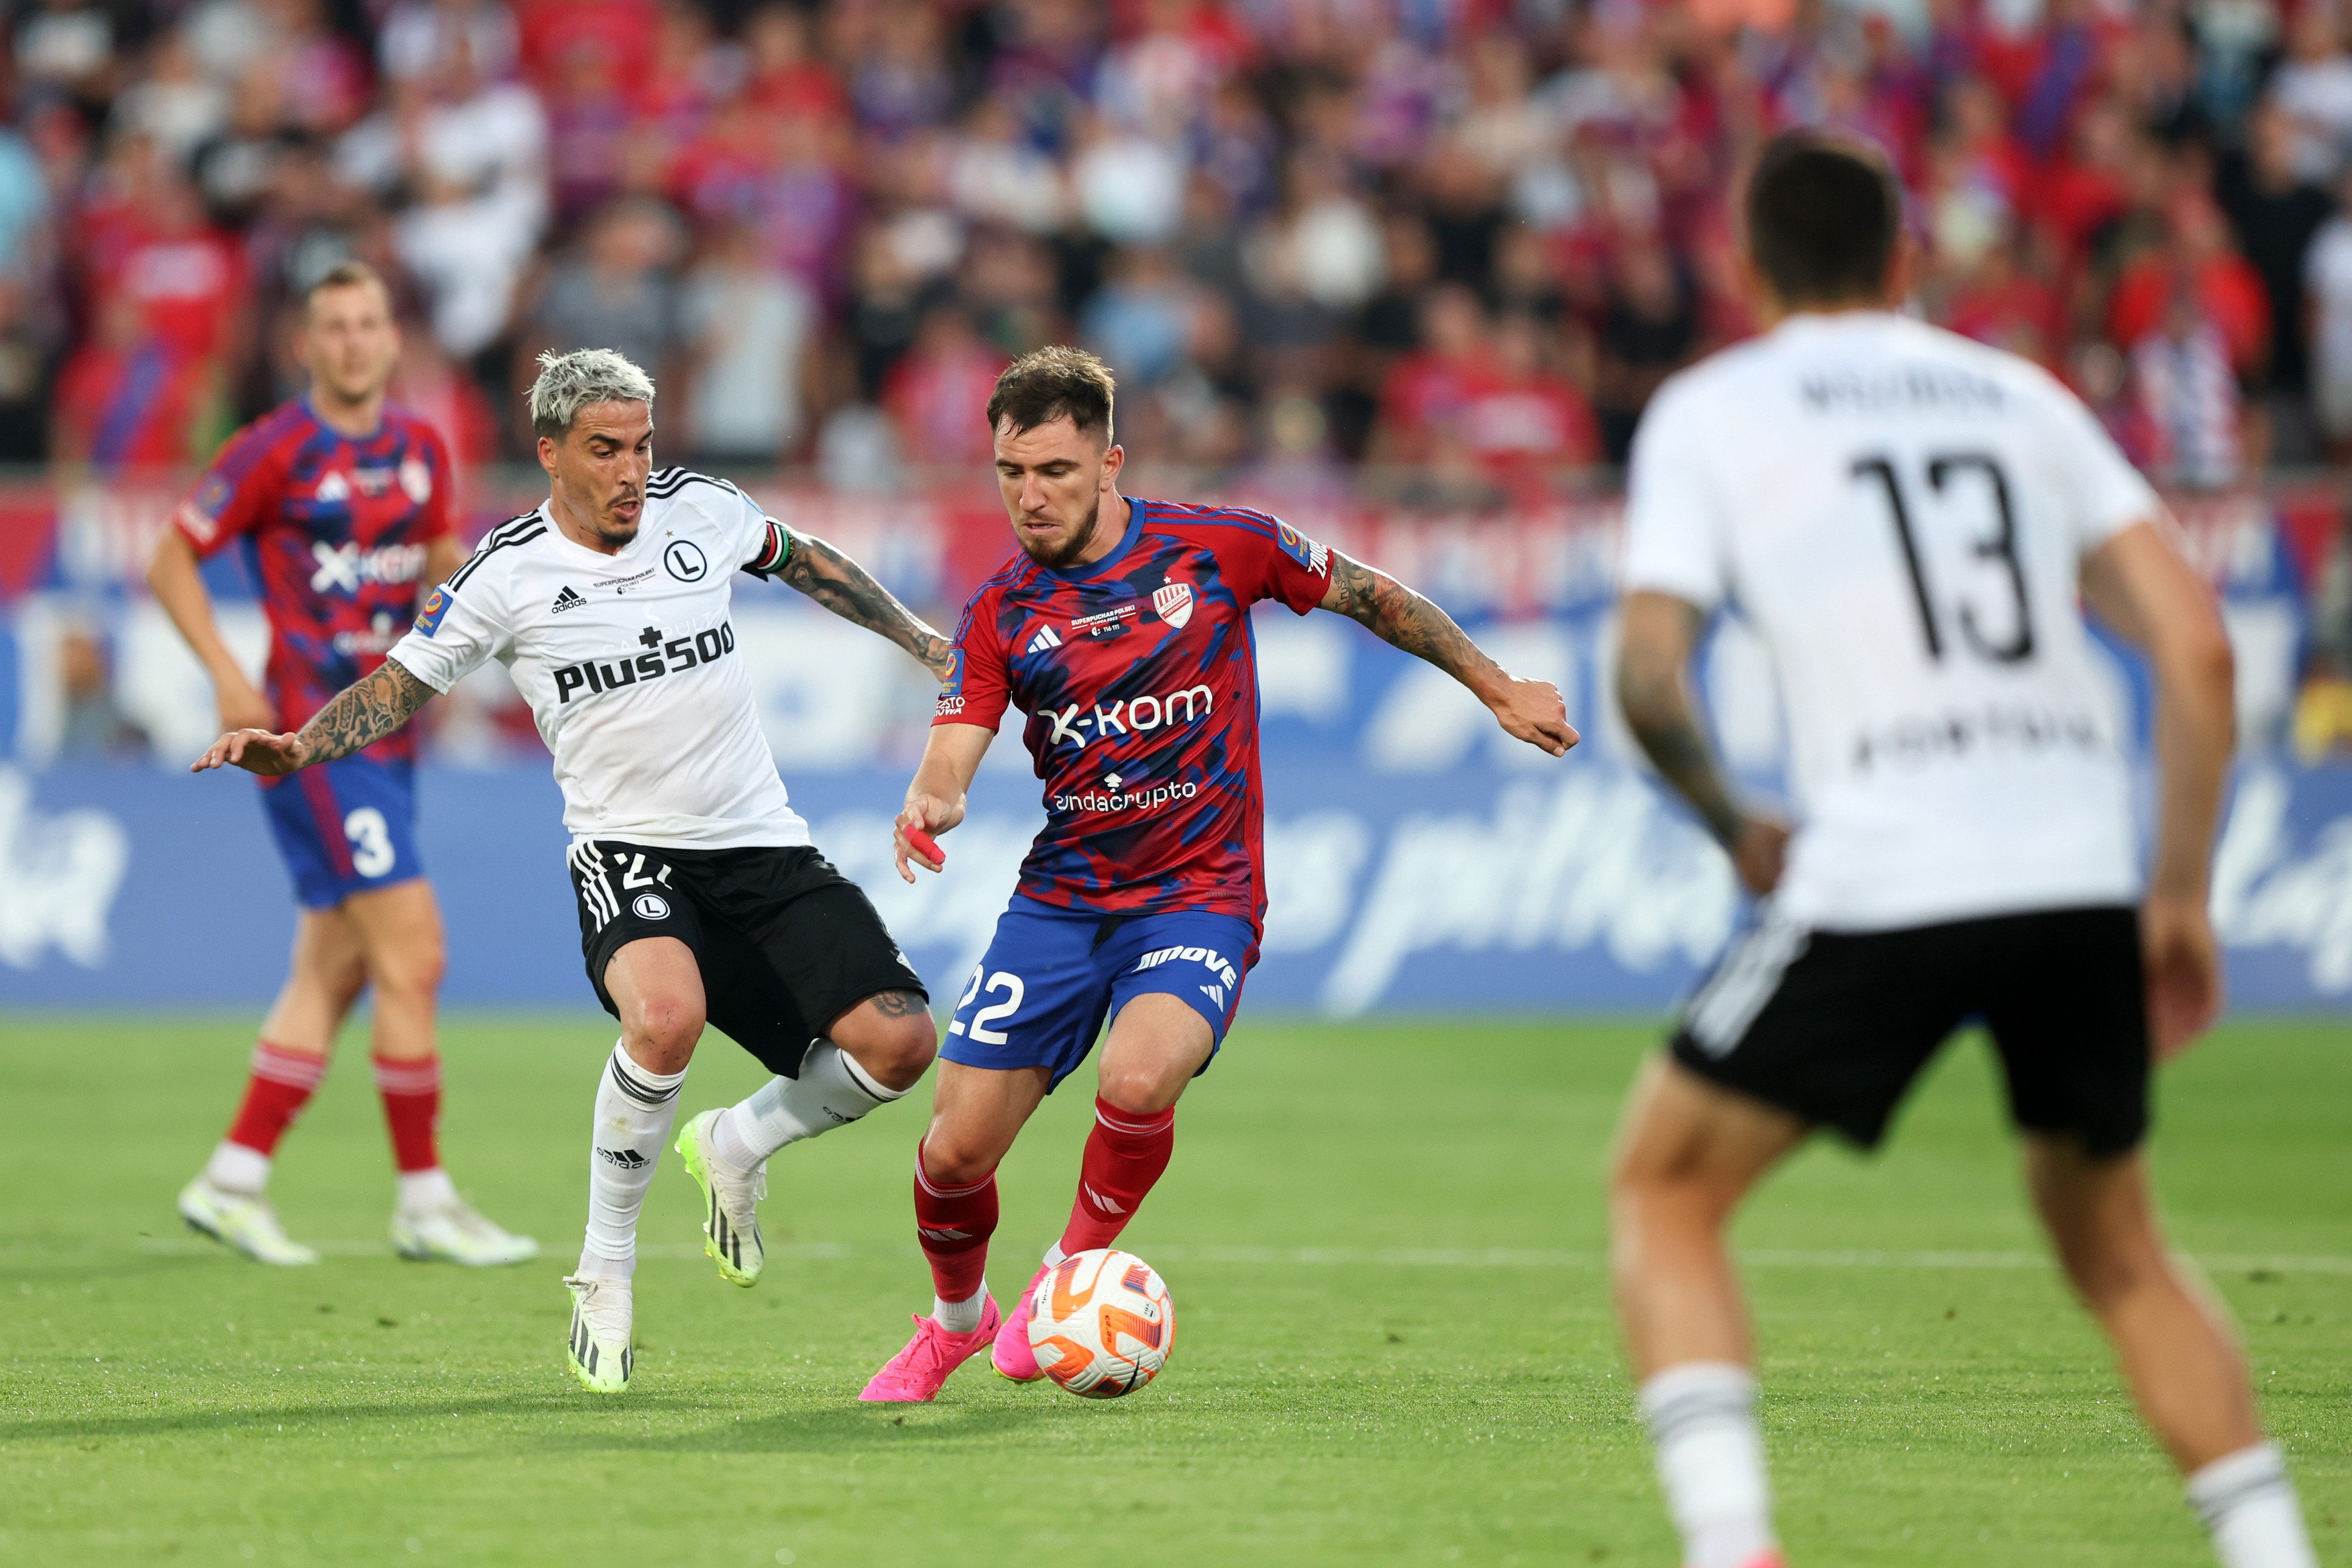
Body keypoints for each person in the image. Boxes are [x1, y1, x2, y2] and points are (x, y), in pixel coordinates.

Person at [1608, 131, 2316, 1568]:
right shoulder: (2022, 398)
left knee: (1664, 1190)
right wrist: (2175, 890)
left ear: (1746, 273)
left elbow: (1644, 675)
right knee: (2116, 1248)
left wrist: (1732, 820)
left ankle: (1734, 1544)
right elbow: (2193, 654)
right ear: (1905, 262)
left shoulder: (1710, 409)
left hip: (1885, 864)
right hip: (2068, 871)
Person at [192, 347, 952, 1395]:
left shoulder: (703, 511)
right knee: (665, 1017)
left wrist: (923, 642)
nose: (631, 470)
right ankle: (605, 1266)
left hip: (761, 840)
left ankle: (735, 1143)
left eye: (642, 445)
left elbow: (809, 559)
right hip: (627, 849)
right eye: (605, 450)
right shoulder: (505, 575)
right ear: (550, 452)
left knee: (902, 1042)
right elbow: (398, 686)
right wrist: (298, 746)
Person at [860, 346, 1577, 1402]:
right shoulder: (1002, 610)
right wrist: (931, 801)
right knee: (955, 1151)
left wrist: (1494, 683)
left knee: (1139, 1077)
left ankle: (1067, 1272)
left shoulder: (1218, 546)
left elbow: (1370, 595)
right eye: (1011, 472)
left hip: (1202, 891)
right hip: (1062, 901)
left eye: (1054, 470)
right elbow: (955, 740)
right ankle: (958, 1322)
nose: (1030, 495)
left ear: (1111, 462)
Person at [152, 260, 535, 1268]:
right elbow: (169, 556)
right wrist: (232, 678)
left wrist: (512, 624)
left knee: (337, 963)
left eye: (371, 323)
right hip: (312, 739)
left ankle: (231, 1179)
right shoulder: (275, 449)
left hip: (389, 735)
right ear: (306, 343)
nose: (356, 341)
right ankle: (425, 1199)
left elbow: (445, 562)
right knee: (415, 953)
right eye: (336, 326)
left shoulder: (419, 447)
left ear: (393, 338)